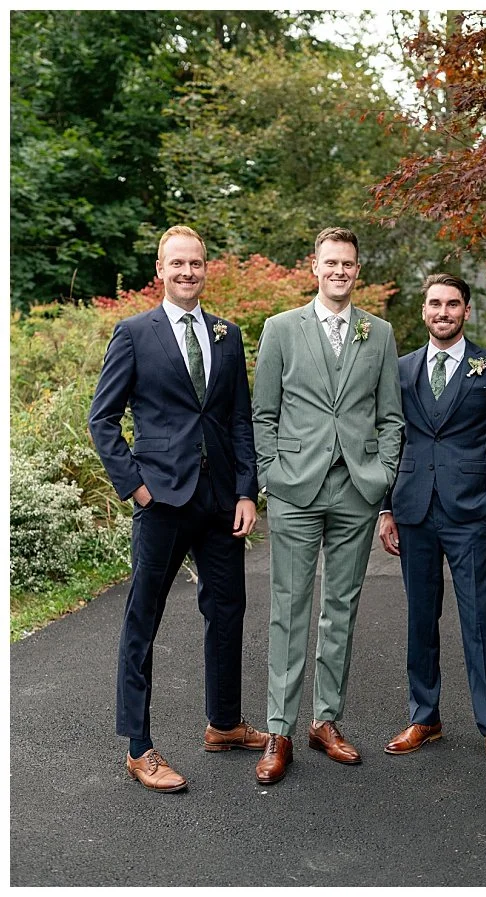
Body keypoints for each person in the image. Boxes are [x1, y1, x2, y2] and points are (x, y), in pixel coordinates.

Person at [89, 225, 267, 793]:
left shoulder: (227, 335)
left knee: (228, 610)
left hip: (220, 501)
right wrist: (136, 488)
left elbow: (239, 418)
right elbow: (102, 419)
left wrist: (246, 490)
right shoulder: (134, 333)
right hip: (161, 499)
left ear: (206, 269)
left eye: (196, 263)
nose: (188, 272)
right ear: (160, 271)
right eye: (178, 264)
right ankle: (138, 747)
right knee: (143, 618)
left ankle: (224, 724)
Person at [250, 226, 404, 784]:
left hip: (356, 488)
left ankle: (326, 720)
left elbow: (391, 416)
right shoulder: (280, 329)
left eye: (348, 264)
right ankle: (279, 729)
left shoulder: (379, 332)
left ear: (357, 270)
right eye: (331, 262)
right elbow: (263, 413)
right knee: (288, 608)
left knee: (341, 607)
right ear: (313, 266)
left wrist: (383, 475)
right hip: (295, 486)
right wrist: (271, 474)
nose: (340, 271)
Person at [378, 273, 486, 773]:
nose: (443, 312)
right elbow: (391, 441)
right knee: (421, 619)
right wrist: (386, 509)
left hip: (470, 514)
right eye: (435, 304)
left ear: (466, 311)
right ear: (423, 310)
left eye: (453, 304)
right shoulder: (400, 369)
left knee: (480, 621)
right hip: (413, 511)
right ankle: (425, 717)